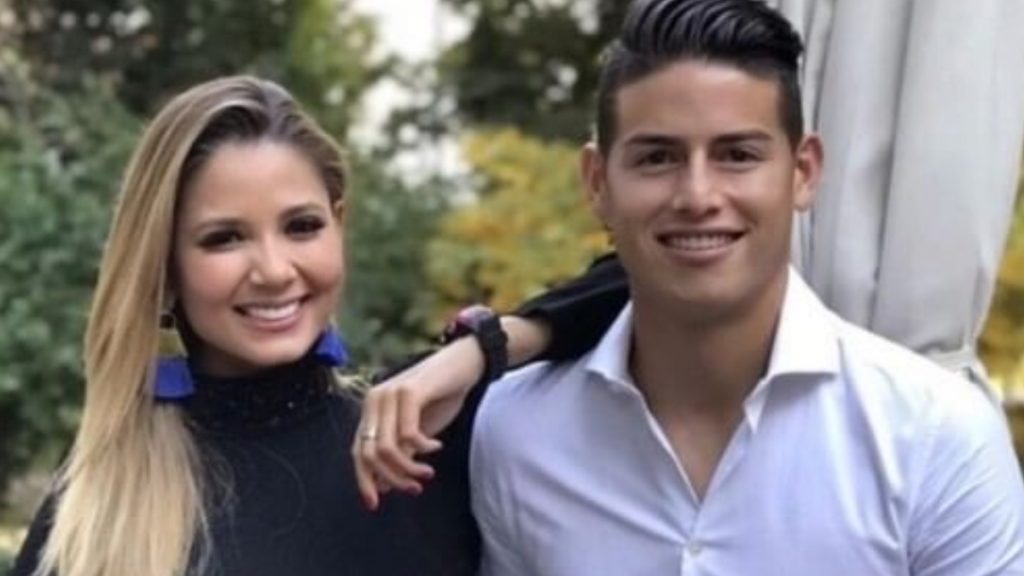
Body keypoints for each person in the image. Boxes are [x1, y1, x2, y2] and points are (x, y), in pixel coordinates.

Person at [357, 0, 1024, 574]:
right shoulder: (515, 431)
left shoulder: (936, 435)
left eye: (737, 155)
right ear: (598, 183)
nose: (698, 195)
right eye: (657, 157)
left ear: (803, 172)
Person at [10, 75, 595, 576]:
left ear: (338, 224)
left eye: (301, 227)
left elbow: (635, 284)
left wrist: (480, 347)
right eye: (224, 238)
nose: (273, 270)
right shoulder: (97, 505)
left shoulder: (424, 437)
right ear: (164, 265)